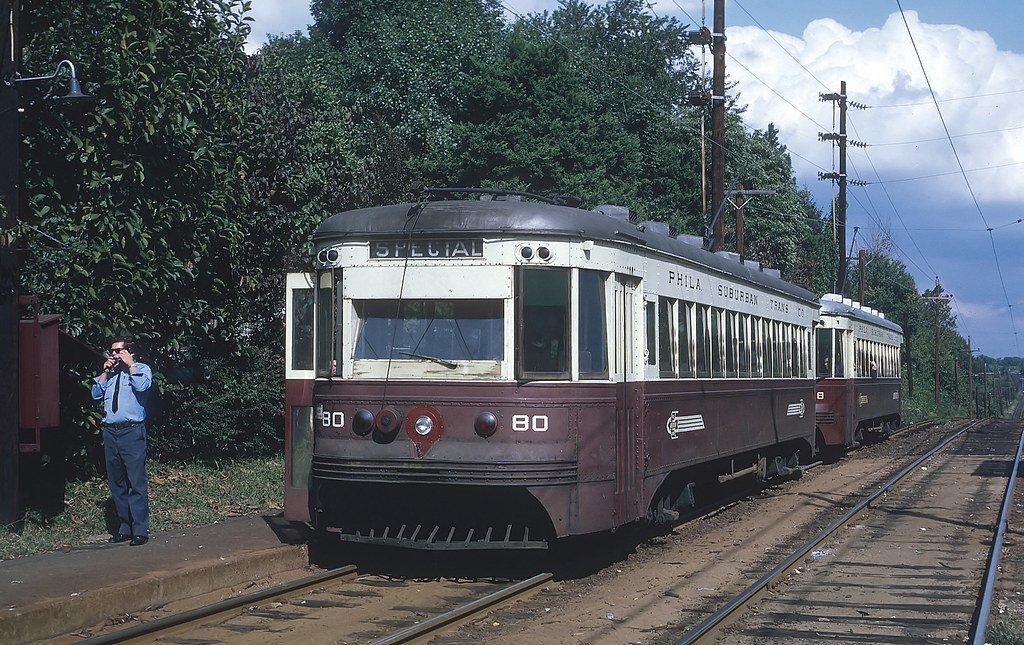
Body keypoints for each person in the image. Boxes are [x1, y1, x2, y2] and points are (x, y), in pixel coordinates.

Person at [91, 337, 153, 546]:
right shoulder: (111, 374)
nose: (114, 355)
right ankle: (124, 528)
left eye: (118, 351)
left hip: (132, 432)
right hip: (111, 433)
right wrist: (105, 371)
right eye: (112, 352)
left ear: (130, 352)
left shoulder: (141, 369)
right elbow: (95, 394)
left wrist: (130, 366)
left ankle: (139, 531)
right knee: (117, 482)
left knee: (136, 482)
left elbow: (143, 387)